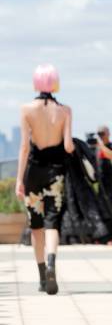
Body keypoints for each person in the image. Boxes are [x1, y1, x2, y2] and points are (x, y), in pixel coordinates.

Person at [15, 64, 74, 294]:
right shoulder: (65, 110)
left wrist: (19, 180)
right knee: (52, 223)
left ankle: (42, 277)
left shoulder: (26, 109)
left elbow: (23, 148)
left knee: (36, 226)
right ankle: (51, 264)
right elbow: (68, 146)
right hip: (56, 173)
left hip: (33, 173)